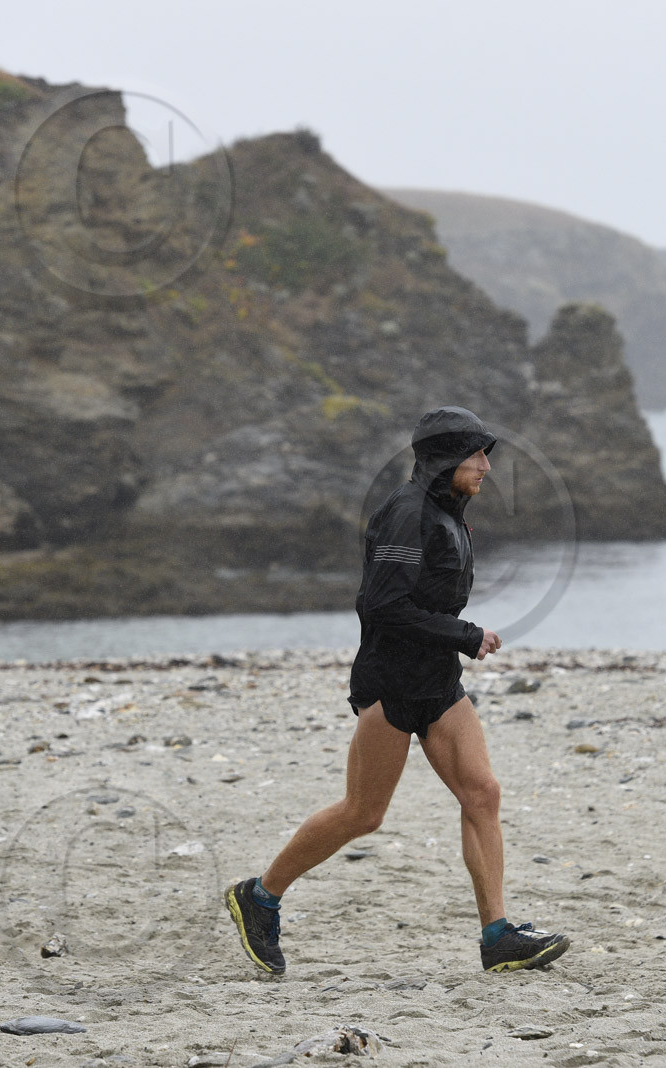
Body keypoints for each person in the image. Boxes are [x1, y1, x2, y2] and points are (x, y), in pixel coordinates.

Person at [224, 405, 571, 975]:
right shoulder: (406, 513)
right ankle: (259, 897)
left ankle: (498, 936)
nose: (486, 466)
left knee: (482, 793)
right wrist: (467, 634)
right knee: (363, 814)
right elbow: (383, 606)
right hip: (391, 684)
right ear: (446, 459)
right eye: (476, 455)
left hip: (437, 682)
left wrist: (455, 641)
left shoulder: (447, 513)